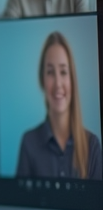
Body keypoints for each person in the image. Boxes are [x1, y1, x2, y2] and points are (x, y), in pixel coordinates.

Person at [16, 32, 102, 179]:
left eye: (63, 72)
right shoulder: (29, 143)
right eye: (50, 72)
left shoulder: (92, 146)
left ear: (72, 80)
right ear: (42, 80)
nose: (58, 84)